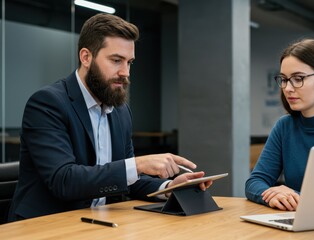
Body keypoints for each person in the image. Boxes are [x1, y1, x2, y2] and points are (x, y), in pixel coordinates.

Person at [8, 13, 212, 222]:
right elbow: (64, 180)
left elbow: (129, 179)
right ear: (86, 57)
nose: (126, 72)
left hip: (97, 224)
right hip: (44, 226)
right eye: (116, 60)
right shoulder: (47, 103)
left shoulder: (121, 111)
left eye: (129, 62)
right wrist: (138, 164)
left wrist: (169, 187)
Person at [245, 38, 314, 211]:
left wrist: (294, 196)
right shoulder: (284, 127)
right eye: (283, 79)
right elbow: (255, 182)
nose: (288, 88)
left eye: (298, 79)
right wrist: (273, 195)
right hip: (298, 225)